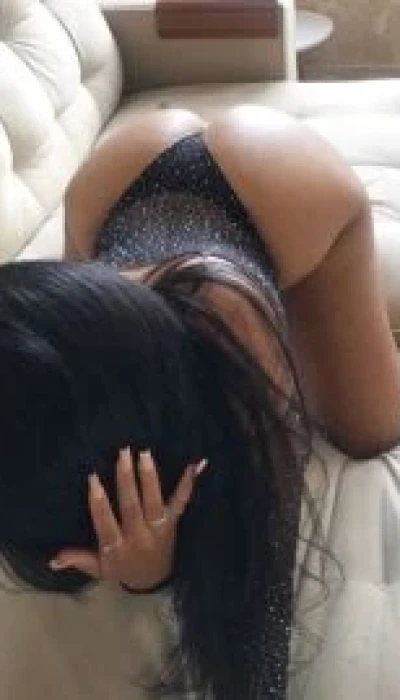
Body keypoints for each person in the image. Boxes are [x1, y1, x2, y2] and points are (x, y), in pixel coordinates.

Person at [0, 105, 399, 700]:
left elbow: (257, 605)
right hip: (114, 184)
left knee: (370, 429)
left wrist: (157, 573)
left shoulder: (238, 339)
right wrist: (147, 567)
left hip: (290, 187)